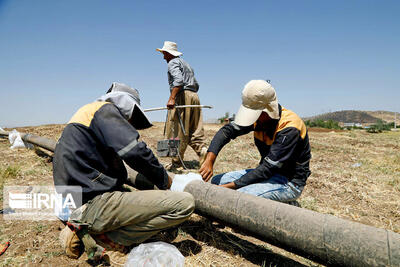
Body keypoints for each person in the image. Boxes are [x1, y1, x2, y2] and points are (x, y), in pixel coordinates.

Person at [53, 82, 195, 265]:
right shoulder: (105, 110)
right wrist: (166, 181)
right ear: (126, 105)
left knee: (141, 203)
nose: (129, 123)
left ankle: (88, 227)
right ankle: (103, 238)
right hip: (90, 204)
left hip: (73, 201)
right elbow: (135, 152)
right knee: (183, 204)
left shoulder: (86, 115)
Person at [200, 80, 311, 203]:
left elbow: (268, 168)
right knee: (216, 181)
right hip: (266, 175)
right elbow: (227, 131)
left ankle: (287, 205)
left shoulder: (289, 128)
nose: (252, 117)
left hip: (288, 182)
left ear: (268, 110)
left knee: (239, 197)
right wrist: (210, 160)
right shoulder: (260, 119)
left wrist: (225, 189)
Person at [156, 41, 207, 169]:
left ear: (169, 53)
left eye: (164, 54)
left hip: (182, 95)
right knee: (194, 128)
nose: (163, 57)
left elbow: (178, 81)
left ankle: (176, 163)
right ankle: (202, 151)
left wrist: (172, 98)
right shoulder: (186, 64)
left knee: (176, 128)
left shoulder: (172, 62)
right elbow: (196, 83)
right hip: (194, 96)